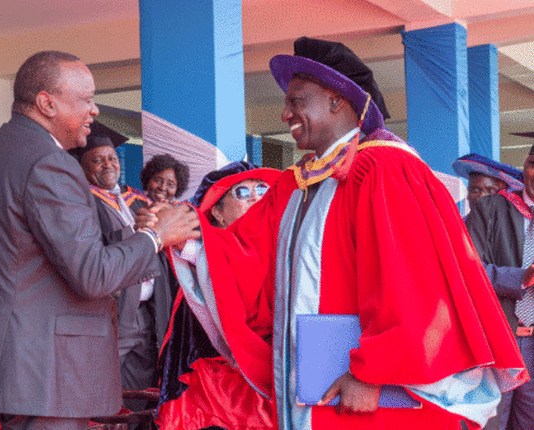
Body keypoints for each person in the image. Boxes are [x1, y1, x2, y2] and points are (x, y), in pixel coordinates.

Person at [167, 37, 527, 430]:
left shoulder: (383, 169)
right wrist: (187, 233)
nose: (285, 113)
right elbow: (245, 253)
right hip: (309, 385)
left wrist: (373, 371)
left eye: (296, 100)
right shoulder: (296, 185)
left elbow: (410, 282)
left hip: (367, 390)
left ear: (337, 100)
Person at [0, 50, 200, 430]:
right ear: (47, 103)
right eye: (86, 99)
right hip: (44, 366)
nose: (95, 111)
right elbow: (92, 274)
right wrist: (155, 236)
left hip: (8, 357)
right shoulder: (49, 162)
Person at [156, 161, 281, 430]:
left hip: (277, 379)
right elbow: (205, 249)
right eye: (243, 192)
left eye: (262, 188)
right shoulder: (206, 250)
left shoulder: (282, 242)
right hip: (218, 391)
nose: (257, 197)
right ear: (218, 213)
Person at [70, 121, 176, 413]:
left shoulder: (139, 199)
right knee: (104, 384)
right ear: (82, 166)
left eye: (112, 158)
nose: (108, 164)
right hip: (112, 312)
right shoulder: (81, 202)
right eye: (98, 159)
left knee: (140, 389)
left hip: (147, 312)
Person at [465, 147, 534, 430]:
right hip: (498, 340)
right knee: (489, 423)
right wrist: (521, 277)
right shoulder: (490, 208)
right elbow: (468, 271)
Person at [452, 152, 523, 212]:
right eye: (474, 190)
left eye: (490, 190)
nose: (481, 196)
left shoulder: (519, 226)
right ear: (468, 195)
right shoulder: (459, 226)